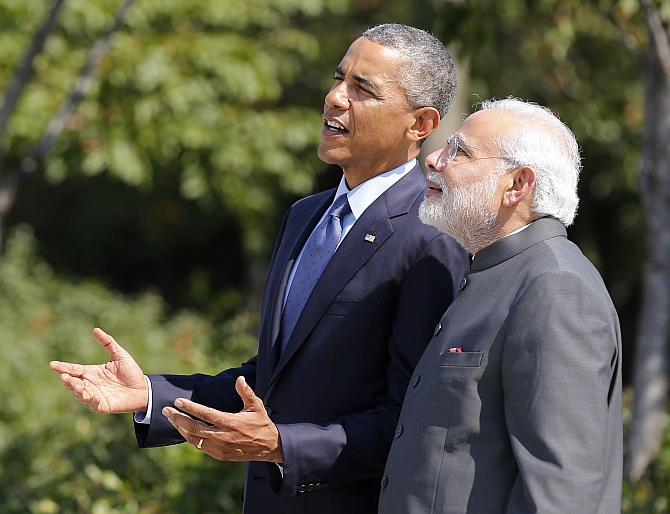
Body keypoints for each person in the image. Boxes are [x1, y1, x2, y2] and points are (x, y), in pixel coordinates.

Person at [50, 24, 469, 514]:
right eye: (339, 79)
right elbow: (273, 379)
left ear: (420, 124)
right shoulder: (304, 216)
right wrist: (150, 393)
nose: (335, 98)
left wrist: (281, 447)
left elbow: (415, 421)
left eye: (363, 90)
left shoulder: (433, 238)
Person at [378, 97, 623, 514]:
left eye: (460, 151)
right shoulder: (496, 272)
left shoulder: (554, 286)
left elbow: (561, 493)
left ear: (517, 185)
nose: (434, 159)